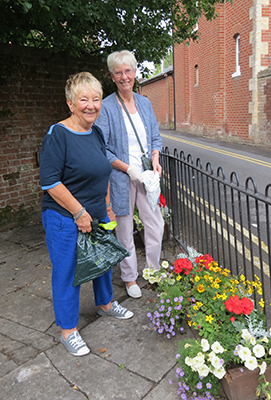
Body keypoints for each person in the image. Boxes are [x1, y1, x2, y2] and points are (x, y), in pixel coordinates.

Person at [39, 72, 133, 357]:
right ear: (70, 103)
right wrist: (79, 212)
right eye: (84, 99)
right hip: (64, 216)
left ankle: (105, 305)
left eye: (96, 99)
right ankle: (68, 330)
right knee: (68, 272)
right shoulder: (58, 135)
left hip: (95, 213)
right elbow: (51, 182)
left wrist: (104, 205)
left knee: (102, 263)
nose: (91, 105)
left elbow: (101, 168)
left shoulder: (95, 132)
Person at [95, 50, 164, 299]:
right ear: (113, 76)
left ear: (135, 72)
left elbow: (155, 137)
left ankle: (154, 271)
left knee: (155, 224)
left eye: (128, 71)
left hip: (146, 177)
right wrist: (128, 168)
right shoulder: (106, 108)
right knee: (124, 229)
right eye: (118, 72)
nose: (124, 76)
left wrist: (155, 160)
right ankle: (129, 277)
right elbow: (102, 149)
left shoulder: (144, 103)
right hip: (122, 178)